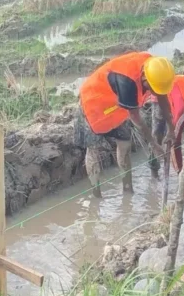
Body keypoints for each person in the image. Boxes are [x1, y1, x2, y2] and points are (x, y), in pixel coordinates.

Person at [75, 52, 176, 197]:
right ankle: (96, 194)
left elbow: (162, 98)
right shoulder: (127, 81)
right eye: (152, 88)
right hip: (93, 104)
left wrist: (171, 129)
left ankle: (128, 190)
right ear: (144, 77)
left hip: (118, 107)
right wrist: (154, 144)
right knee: (93, 150)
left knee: (125, 144)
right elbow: (136, 118)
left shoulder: (155, 69)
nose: (153, 92)